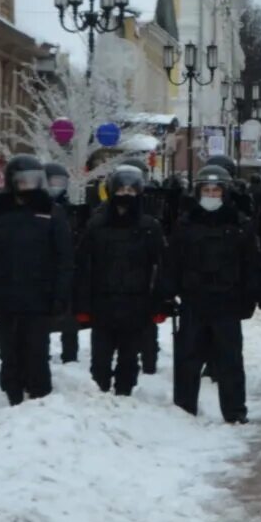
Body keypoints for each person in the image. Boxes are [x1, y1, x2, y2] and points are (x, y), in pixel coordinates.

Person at [0, 154, 73, 408]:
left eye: (34, 180)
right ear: (12, 182)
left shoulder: (51, 212)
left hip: (39, 295)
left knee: (36, 350)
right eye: (23, 181)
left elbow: (64, 257)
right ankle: (12, 394)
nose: (29, 186)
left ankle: (39, 397)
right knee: (9, 351)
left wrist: (60, 295)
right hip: (5, 295)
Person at [165, 162, 254, 423]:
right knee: (188, 358)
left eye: (217, 191)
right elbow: (173, 260)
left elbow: (250, 263)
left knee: (230, 361)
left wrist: (249, 297)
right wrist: (168, 292)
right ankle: (184, 408)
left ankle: (235, 411)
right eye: (207, 191)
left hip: (227, 301)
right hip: (194, 301)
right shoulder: (186, 223)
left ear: (225, 194)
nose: (212, 196)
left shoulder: (240, 224)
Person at [75, 165, 170, 397]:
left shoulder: (150, 227)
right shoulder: (97, 225)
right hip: (103, 299)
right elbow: (83, 265)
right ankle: (100, 392)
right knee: (100, 357)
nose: (125, 195)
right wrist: (82, 303)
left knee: (129, 355)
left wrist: (160, 302)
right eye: (121, 189)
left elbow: (161, 266)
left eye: (130, 190)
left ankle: (124, 394)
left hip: (136, 301)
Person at [45, 163, 82, 366]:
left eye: (60, 182)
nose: (56, 186)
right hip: (43, 271)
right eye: (52, 182)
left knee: (69, 318)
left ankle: (70, 356)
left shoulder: (69, 209)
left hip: (66, 270)